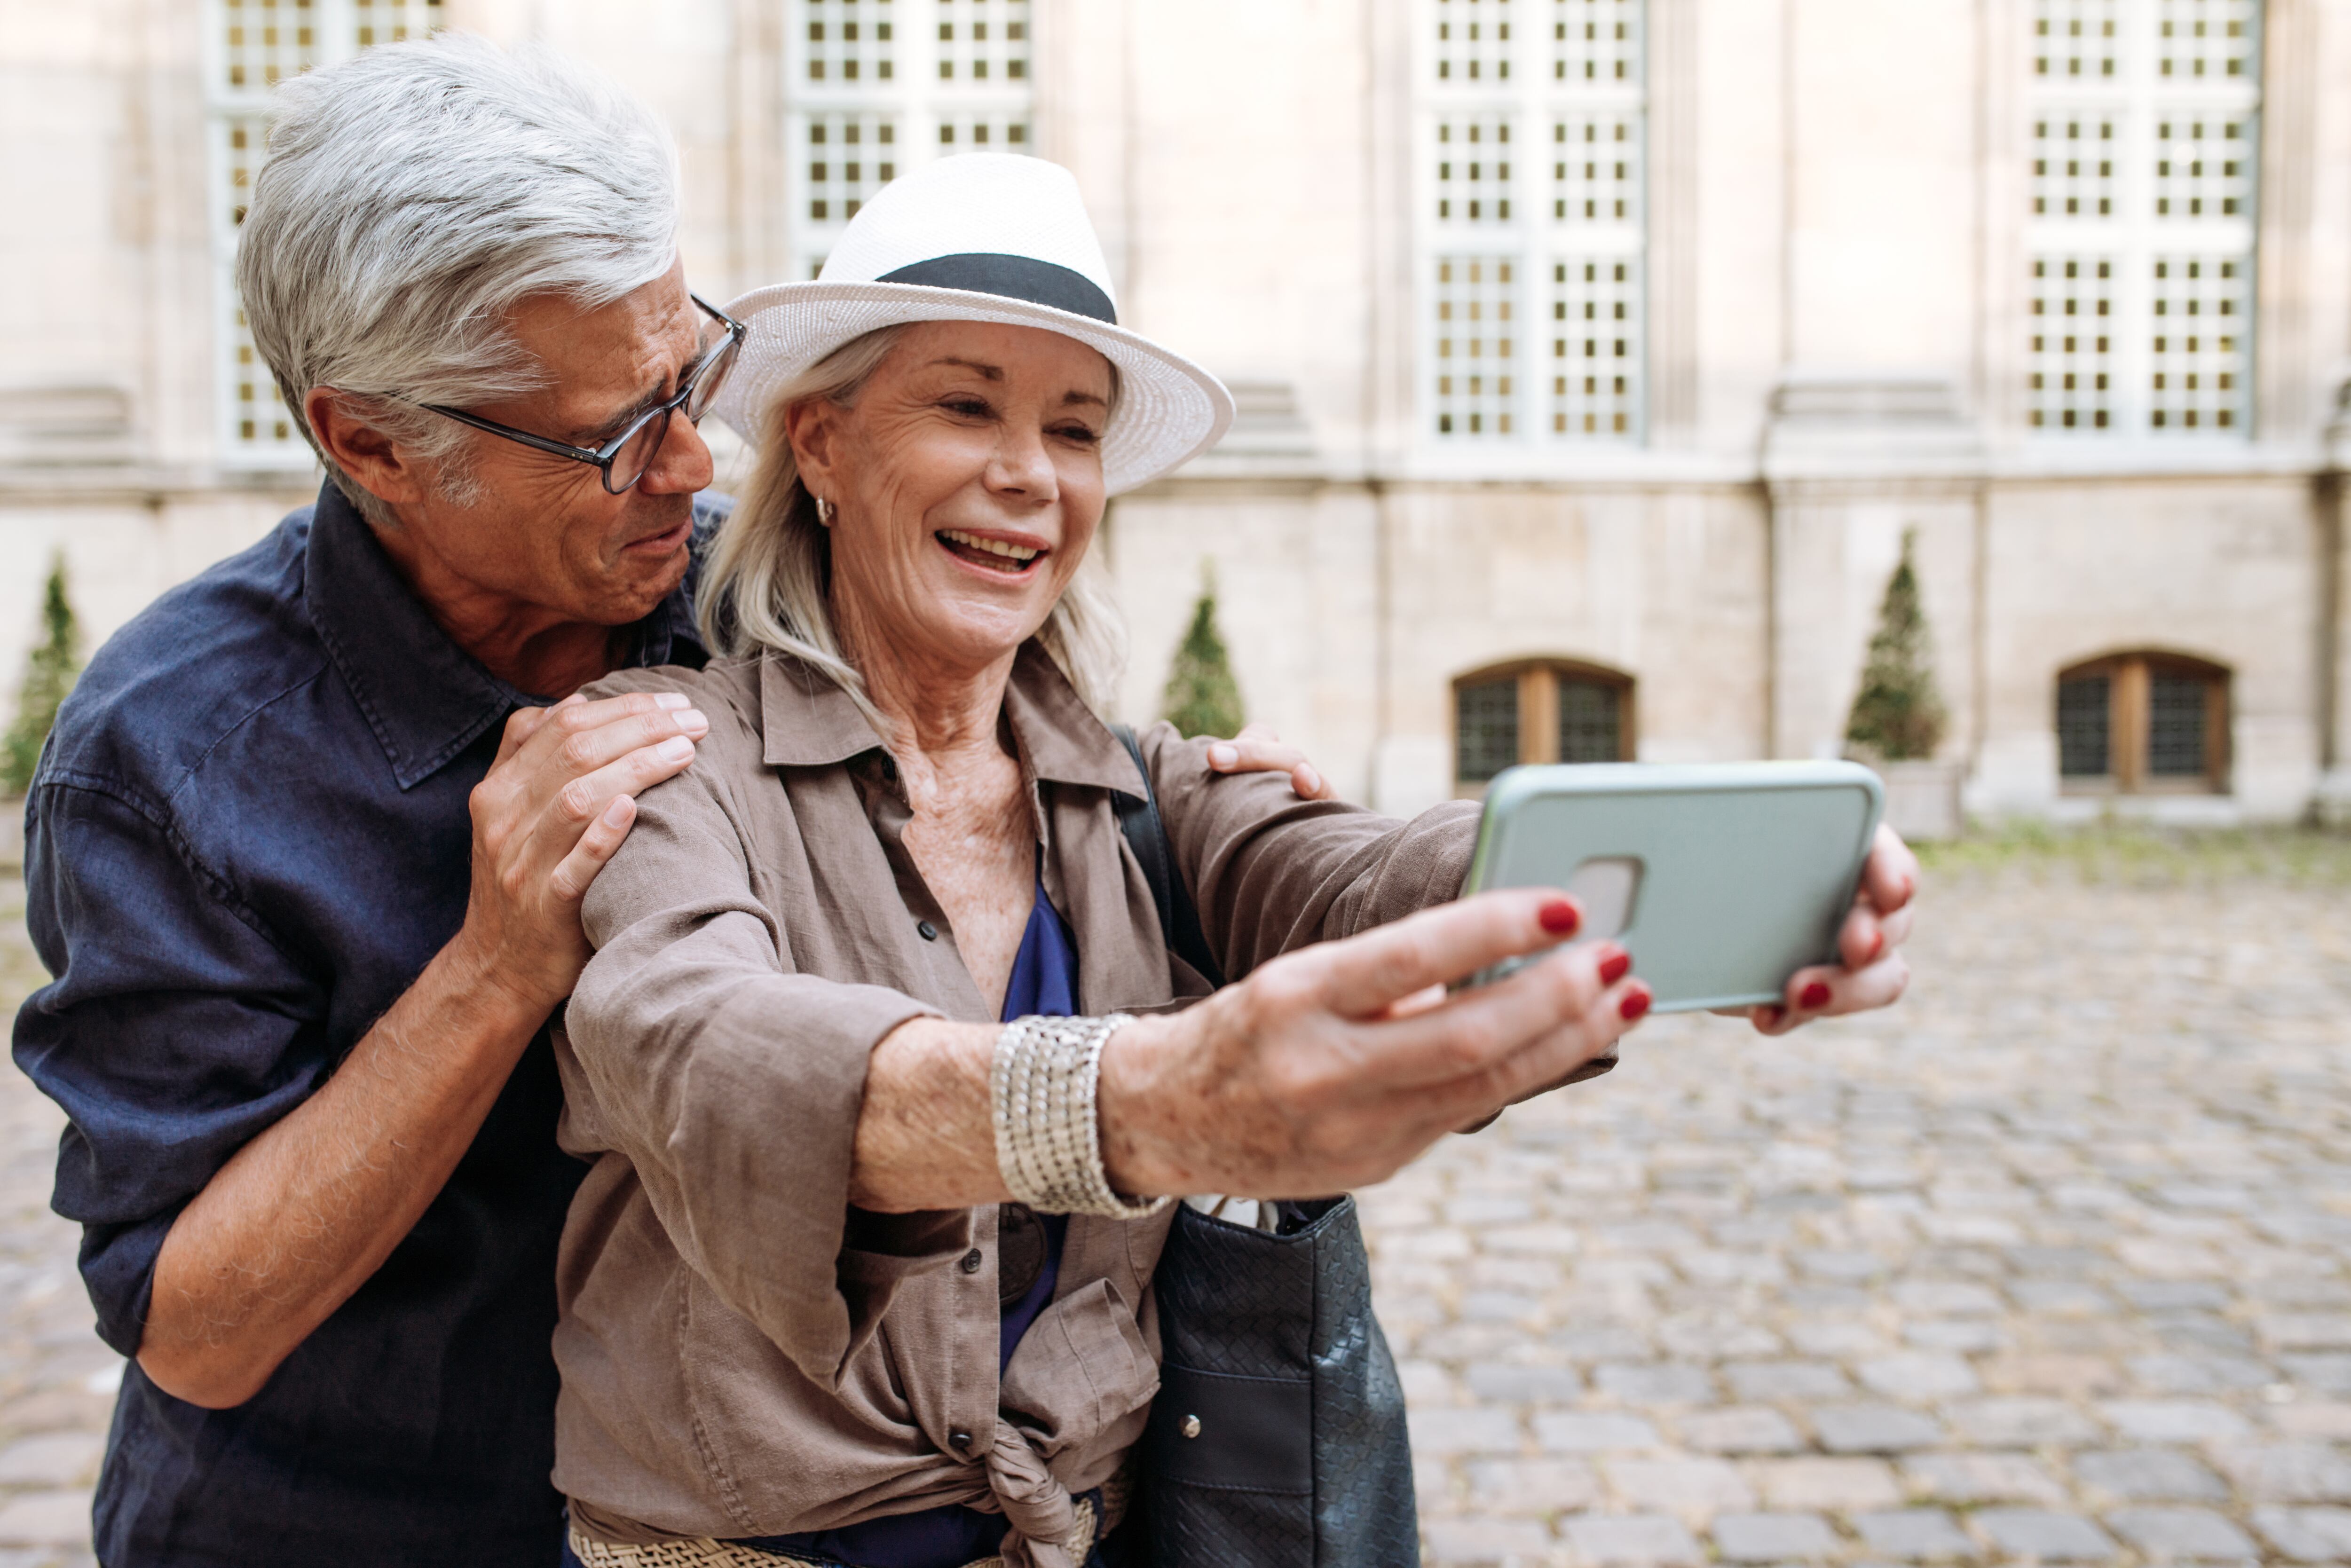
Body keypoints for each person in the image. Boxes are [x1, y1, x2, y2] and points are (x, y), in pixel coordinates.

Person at [8, 39, 1333, 1568]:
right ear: (370, 440)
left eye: (690, 374)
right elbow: (194, 1332)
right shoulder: (172, 752)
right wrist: (493, 969)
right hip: (360, 1527)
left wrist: (1194, 805)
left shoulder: (748, 597)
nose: (695, 459)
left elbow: (1014, 755)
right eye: (611, 433)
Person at [550, 154, 1918, 1568]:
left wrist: (1717, 878)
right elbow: (699, 1048)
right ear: (823, 446)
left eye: (1074, 431)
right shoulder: (661, 756)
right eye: (966, 406)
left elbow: (1368, 876)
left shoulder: (1145, 795)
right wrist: (1147, 1104)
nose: (1029, 474)